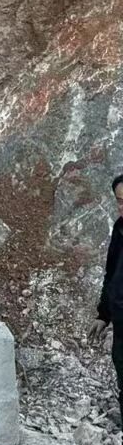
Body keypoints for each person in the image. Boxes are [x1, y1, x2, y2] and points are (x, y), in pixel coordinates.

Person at [100, 172, 123, 431]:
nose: (122, 207)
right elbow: (111, 274)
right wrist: (103, 314)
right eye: (119, 201)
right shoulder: (119, 229)